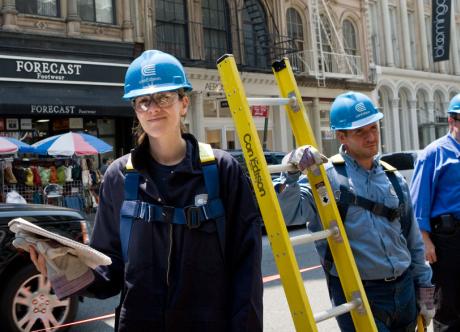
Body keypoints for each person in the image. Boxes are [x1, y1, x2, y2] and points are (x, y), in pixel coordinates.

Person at [29, 50, 263, 331]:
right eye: (143, 101)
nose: (153, 108)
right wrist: (64, 270)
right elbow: (110, 271)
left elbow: (246, 270)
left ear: (184, 103)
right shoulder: (119, 177)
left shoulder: (222, 171)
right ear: (135, 109)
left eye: (164, 97)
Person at [274, 91, 434, 331]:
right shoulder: (326, 178)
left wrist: (425, 292)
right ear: (342, 136)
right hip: (360, 296)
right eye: (360, 131)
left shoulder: (393, 178)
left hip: (405, 292)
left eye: (374, 128)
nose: (371, 137)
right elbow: (289, 214)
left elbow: (413, 242)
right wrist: (291, 173)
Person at [410, 94, 460, 331]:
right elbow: (419, 199)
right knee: (448, 300)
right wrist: (425, 240)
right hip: (447, 239)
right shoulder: (434, 153)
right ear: (452, 120)